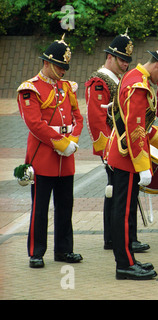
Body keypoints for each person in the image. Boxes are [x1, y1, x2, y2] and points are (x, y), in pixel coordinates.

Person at [105, 46, 158, 280]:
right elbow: (135, 129)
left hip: (125, 154)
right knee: (124, 212)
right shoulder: (139, 85)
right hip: (128, 157)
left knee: (125, 211)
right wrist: (144, 167)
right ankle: (125, 264)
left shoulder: (136, 77)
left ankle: (128, 259)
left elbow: (143, 127)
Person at [17, 35, 84, 268]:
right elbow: (35, 124)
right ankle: (36, 252)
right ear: (47, 63)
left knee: (66, 205)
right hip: (44, 157)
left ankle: (64, 250)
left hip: (66, 159)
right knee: (40, 207)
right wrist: (62, 144)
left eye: (65, 68)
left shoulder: (66, 87)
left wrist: (73, 139)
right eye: (59, 66)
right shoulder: (30, 89)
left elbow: (77, 117)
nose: (63, 72)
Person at [85, 31, 149, 252]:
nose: (125, 64)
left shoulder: (119, 79)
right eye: (121, 59)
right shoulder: (99, 81)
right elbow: (96, 120)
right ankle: (115, 238)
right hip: (113, 148)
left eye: (127, 60)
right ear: (109, 57)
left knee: (124, 196)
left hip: (124, 146)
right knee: (117, 195)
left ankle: (125, 237)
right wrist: (104, 152)